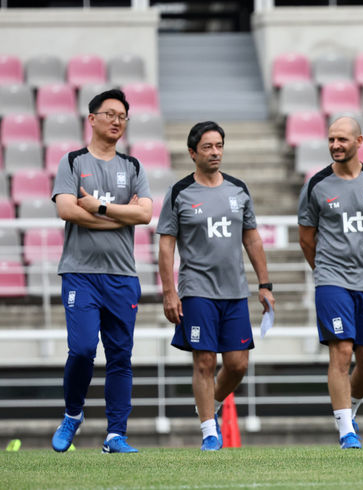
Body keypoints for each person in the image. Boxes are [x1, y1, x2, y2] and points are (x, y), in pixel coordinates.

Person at [157, 121, 275, 451]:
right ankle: (210, 431)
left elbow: (251, 238)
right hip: (197, 289)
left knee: (237, 364)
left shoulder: (238, 190)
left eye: (219, 145)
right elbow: (166, 245)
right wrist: (169, 292)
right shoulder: (179, 192)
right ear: (193, 153)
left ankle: (209, 403)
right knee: (205, 361)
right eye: (208, 147)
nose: (215, 152)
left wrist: (265, 284)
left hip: (235, 290)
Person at [51, 89, 153, 453]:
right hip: (80, 272)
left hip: (123, 276)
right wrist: (117, 218)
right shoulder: (73, 161)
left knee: (120, 355)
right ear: (91, 119)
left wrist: (99, 209)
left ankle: (115, 435)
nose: (116, 121)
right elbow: (66, 209)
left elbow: (144, 215)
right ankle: (73, 414)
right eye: (110, 114)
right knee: (81, 349)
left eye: (123, 116)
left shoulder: (134, 166)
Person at [298, 117, 363, 449]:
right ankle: (345, 431)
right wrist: (325, 271)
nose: (335, 145)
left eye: (342, 139)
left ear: (359, 141)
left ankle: (349, 408)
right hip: (331, 280)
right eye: (331, 139)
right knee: (341, 351)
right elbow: (307, 239)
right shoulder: (316, 185)